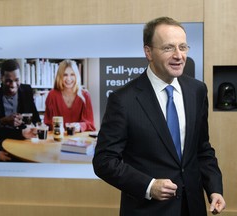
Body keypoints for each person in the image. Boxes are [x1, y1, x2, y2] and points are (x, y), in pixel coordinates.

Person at [93, 17, 226, 216]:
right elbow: (104, 161)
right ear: (148, 52)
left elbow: (202, 149)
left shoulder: (197, 90)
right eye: (168, 48)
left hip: (194, 208)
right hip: (148, 210)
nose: (179, 55)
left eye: (183, 47)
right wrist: (149, 186)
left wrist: (214, 188)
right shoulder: (123, 100)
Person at [44, 59, 95, 132]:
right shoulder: (52, 95)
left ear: (76, 76)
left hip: (79, 140)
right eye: (65, 75)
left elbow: (90, 124)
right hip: (57, 139)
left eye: (72, 74)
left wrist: (80, 126)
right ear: (60, 77)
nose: (69, 79)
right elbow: (47, 124)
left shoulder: (85, 95)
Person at [0, 59, 41, 129]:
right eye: (8, 81)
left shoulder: (27, 91)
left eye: (17, 80)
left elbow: (37, 120)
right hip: (3, 138)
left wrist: (25, 121)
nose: (13, 85)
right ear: (1, 78)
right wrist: (3, 121)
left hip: (23, 137)